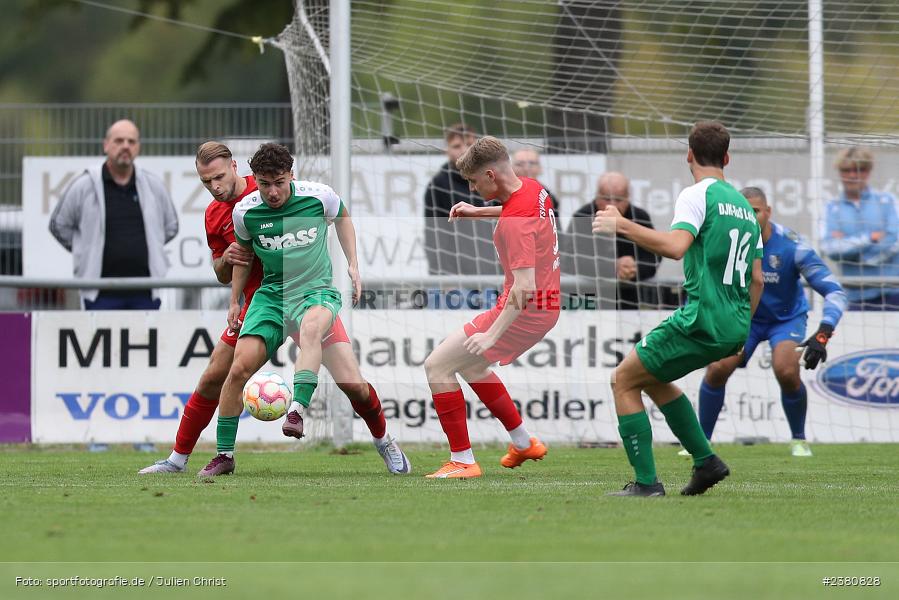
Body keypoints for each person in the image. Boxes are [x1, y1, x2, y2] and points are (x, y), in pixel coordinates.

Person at [139, 142, 409, 476]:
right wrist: (230, 275)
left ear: (237, 168)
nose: (215, 187)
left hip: (310, 294)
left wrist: (354, 266)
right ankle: (184, 458)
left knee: (352, 383)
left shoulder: (289, 190)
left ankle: (383, 440)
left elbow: (340, 214)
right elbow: (224, 271)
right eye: (206, 182)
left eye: (219, 177)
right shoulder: (230, 213)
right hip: (263, 299)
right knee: (218, 375)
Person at [592, 121, 764, 497]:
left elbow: (675, 247)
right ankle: (706, 462)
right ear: (727, 158)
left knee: (623, 380)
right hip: (734, 323)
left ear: (688, 155)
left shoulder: (697, 194)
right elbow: (757, 280)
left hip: (702, 317)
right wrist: (743, 331)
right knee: (651, 378)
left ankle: (646, 484)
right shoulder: (745, 208)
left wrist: (622, 224)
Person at [422, 136, 560, 479]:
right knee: (472, 367)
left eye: (473, 182)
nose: (470, 188)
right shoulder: (532, 187)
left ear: (490, 176)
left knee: (437, 366)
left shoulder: (516, 220)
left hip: (524, 309)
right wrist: (479, 211)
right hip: (544, 306)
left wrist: (491, 334)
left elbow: (524, 287)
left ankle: (463, 461)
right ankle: (523, 442)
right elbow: (520, 210)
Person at [696, 188, 847, 457]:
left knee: (786, 369)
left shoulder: (793, 247)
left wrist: (823, 332)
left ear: (768, 211)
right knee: (718, 367)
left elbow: (835, 291)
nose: (750, 217)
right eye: (745, 211)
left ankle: (798, 440)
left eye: (755, 210)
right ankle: (700, 441)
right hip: (746, 318)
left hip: (786, 317)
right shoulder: (728, 242)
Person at [49, 119, 178, 309]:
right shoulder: (84, 184)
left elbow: (171, 226)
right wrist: (84, 249)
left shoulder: (153, 185)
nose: (125, 146)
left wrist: (152, 244)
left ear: (138, 147)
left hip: (146, 292)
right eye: (119, 141)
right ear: (106, 145)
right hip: (99, 293)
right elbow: (58, 225)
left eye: (131, 141)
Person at [564, 172, 661, 309]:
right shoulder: (582, 217)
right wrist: (613, 267)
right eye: (606, 199)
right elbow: (572, 260)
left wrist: (634, 268)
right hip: (588, 299)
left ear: (628, 198)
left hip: (628, 300)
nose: (612, 205)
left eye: (618, 200)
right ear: (597, 197)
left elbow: (655, 255)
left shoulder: (639, 217)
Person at [820, 147, 899, 310]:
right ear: (839, 172)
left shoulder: (888, 201)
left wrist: (858, 258)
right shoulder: (831, 208)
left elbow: (894, 241)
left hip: (893, 293)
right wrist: (871, 239)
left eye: (860, 169)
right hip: (855, 297)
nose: (853, 175)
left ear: (868, 171)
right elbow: (830, 248)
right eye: (846, 170)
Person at [423, 123, 499, 277]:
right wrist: (444, 276)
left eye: (469, 145)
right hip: (457, 277)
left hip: (495, 272)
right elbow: (435, 236)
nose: (464, 150)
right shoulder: (438, 185)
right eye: (457, 146)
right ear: (447, 150)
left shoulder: (492, 179)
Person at [511, 148, 561, 220]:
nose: (526, 168)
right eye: (520, 164)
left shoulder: (549, 198)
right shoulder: (499, 197)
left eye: (532, 163)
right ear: (511, 168)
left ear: (540, 168)